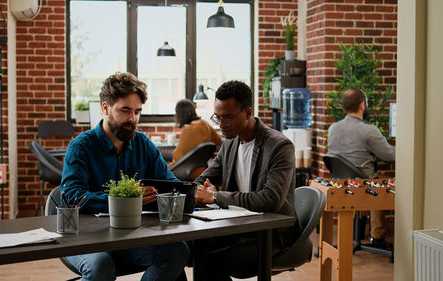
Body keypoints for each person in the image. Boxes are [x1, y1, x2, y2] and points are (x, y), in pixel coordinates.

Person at [60, 72, 188, 281]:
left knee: (177, 252)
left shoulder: (143, 144)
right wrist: (125, 201)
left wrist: (184, 191)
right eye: (125, 110)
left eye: (138, 111)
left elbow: (170, 183)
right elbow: (73, 196)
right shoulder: (81, 147)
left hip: (130, 235)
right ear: (105, 108)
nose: (133, 119)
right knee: (100, 265)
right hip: (84, 237)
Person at [192, 80, 302, 281]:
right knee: (190, 249)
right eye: (218, 117)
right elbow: (202, 180)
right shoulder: (229, 144)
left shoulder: (279, 146)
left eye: (228, 117)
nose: (222, 124)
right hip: (238, 228)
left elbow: (270, 200)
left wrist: (216, 196)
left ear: (248, 112)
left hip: (271, 235)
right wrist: (199, 190)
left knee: (210, 263)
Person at [327, 88, 395, 246]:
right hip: (363, 185)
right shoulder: (368, 130)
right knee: (385, 185)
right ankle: (377, 237)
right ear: (362, 105)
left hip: (340, 184)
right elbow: (390, 156)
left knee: (377, 181)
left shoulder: (333, 128)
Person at [168, 99, 222, 179]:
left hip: (187, 171)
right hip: (202, 169)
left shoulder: (188, 130)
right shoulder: (204, 123)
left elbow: (178, 157)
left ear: (180, 114)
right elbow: (218, 140)